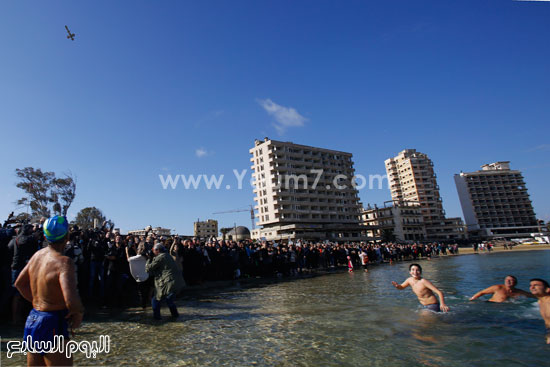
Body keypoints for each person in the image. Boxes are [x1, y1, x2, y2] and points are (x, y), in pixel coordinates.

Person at [14, 216, 84, 366]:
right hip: (53, 320)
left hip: (33, 319)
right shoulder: (64, 262)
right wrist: (78, 313)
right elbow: (71, 300)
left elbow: (19, 283)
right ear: (67, 236)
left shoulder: (37, 256)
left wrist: (37, 301)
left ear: (45, 236)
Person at [146, 243, 185, 320]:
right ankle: (175, 316)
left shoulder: (160, 257)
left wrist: (148, 259)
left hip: (168, 283)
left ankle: (157, 318)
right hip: (175, 282)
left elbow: (149, 268)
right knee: (169, 300)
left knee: (155, 300)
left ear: (157, 250)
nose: (152, 251)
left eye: (153, 250)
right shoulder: (167, 255)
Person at [469, 275, 533, 302]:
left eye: (511, 280)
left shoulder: (518, 292)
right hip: (490, 305)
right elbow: (482, 292)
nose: (508, 281)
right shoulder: (497, 288)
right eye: (507, 279)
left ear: (515, 283)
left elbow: (531, 295)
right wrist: (472, 299)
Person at [127, 242, 151, 309]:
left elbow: (129, 259)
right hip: (147, 276)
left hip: (138, 277)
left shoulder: (135, 258)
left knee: (141, 293)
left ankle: (143, 306)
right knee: (147, 292)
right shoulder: (147, 257)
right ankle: (147, 304)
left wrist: (126, 251)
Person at [529, 278, 550, 344]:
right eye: (531, 285)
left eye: (536, 285)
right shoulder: (540, 301)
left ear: (547, 289)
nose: (532, 287)